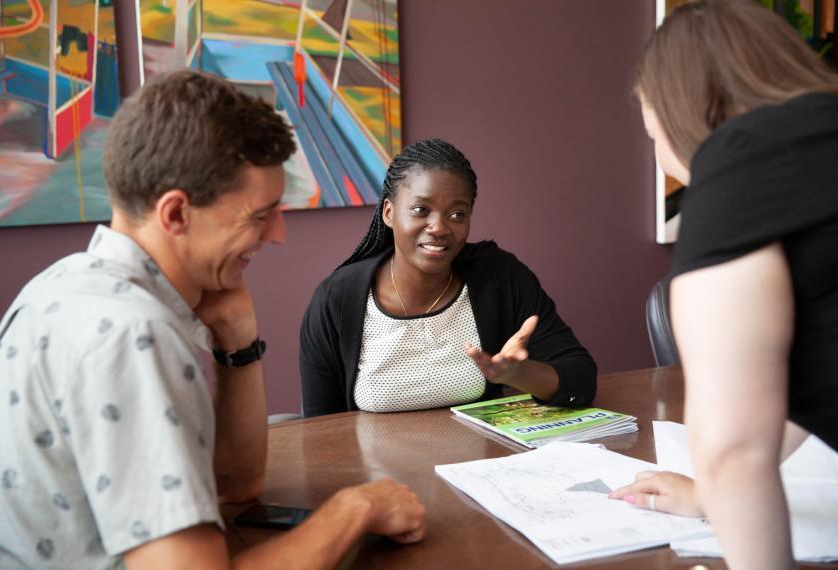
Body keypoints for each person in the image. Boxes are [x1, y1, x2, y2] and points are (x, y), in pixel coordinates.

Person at [0, 69, 424, 570]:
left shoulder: (61, 283)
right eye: (260, 215)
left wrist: (237, 341)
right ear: (175, 214)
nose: (277, 234)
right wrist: (355, 507)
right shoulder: (134, 335)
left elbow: (235, 485)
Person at [608, 1, 838, 568]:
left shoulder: (739, 168)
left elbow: (736, 451)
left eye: (651, 133)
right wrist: (707, 493)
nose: (661, 155)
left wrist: (719, 477)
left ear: (681, 111)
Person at [299, 138, 597, 417]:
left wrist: (520, 375)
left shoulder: (500, 278)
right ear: (389, 213)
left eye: (457, 214)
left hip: (479, 468)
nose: (439, 227)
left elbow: (581, 379)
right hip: (380, 473)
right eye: (420, 210)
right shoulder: (337, 300)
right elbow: (320, 430)